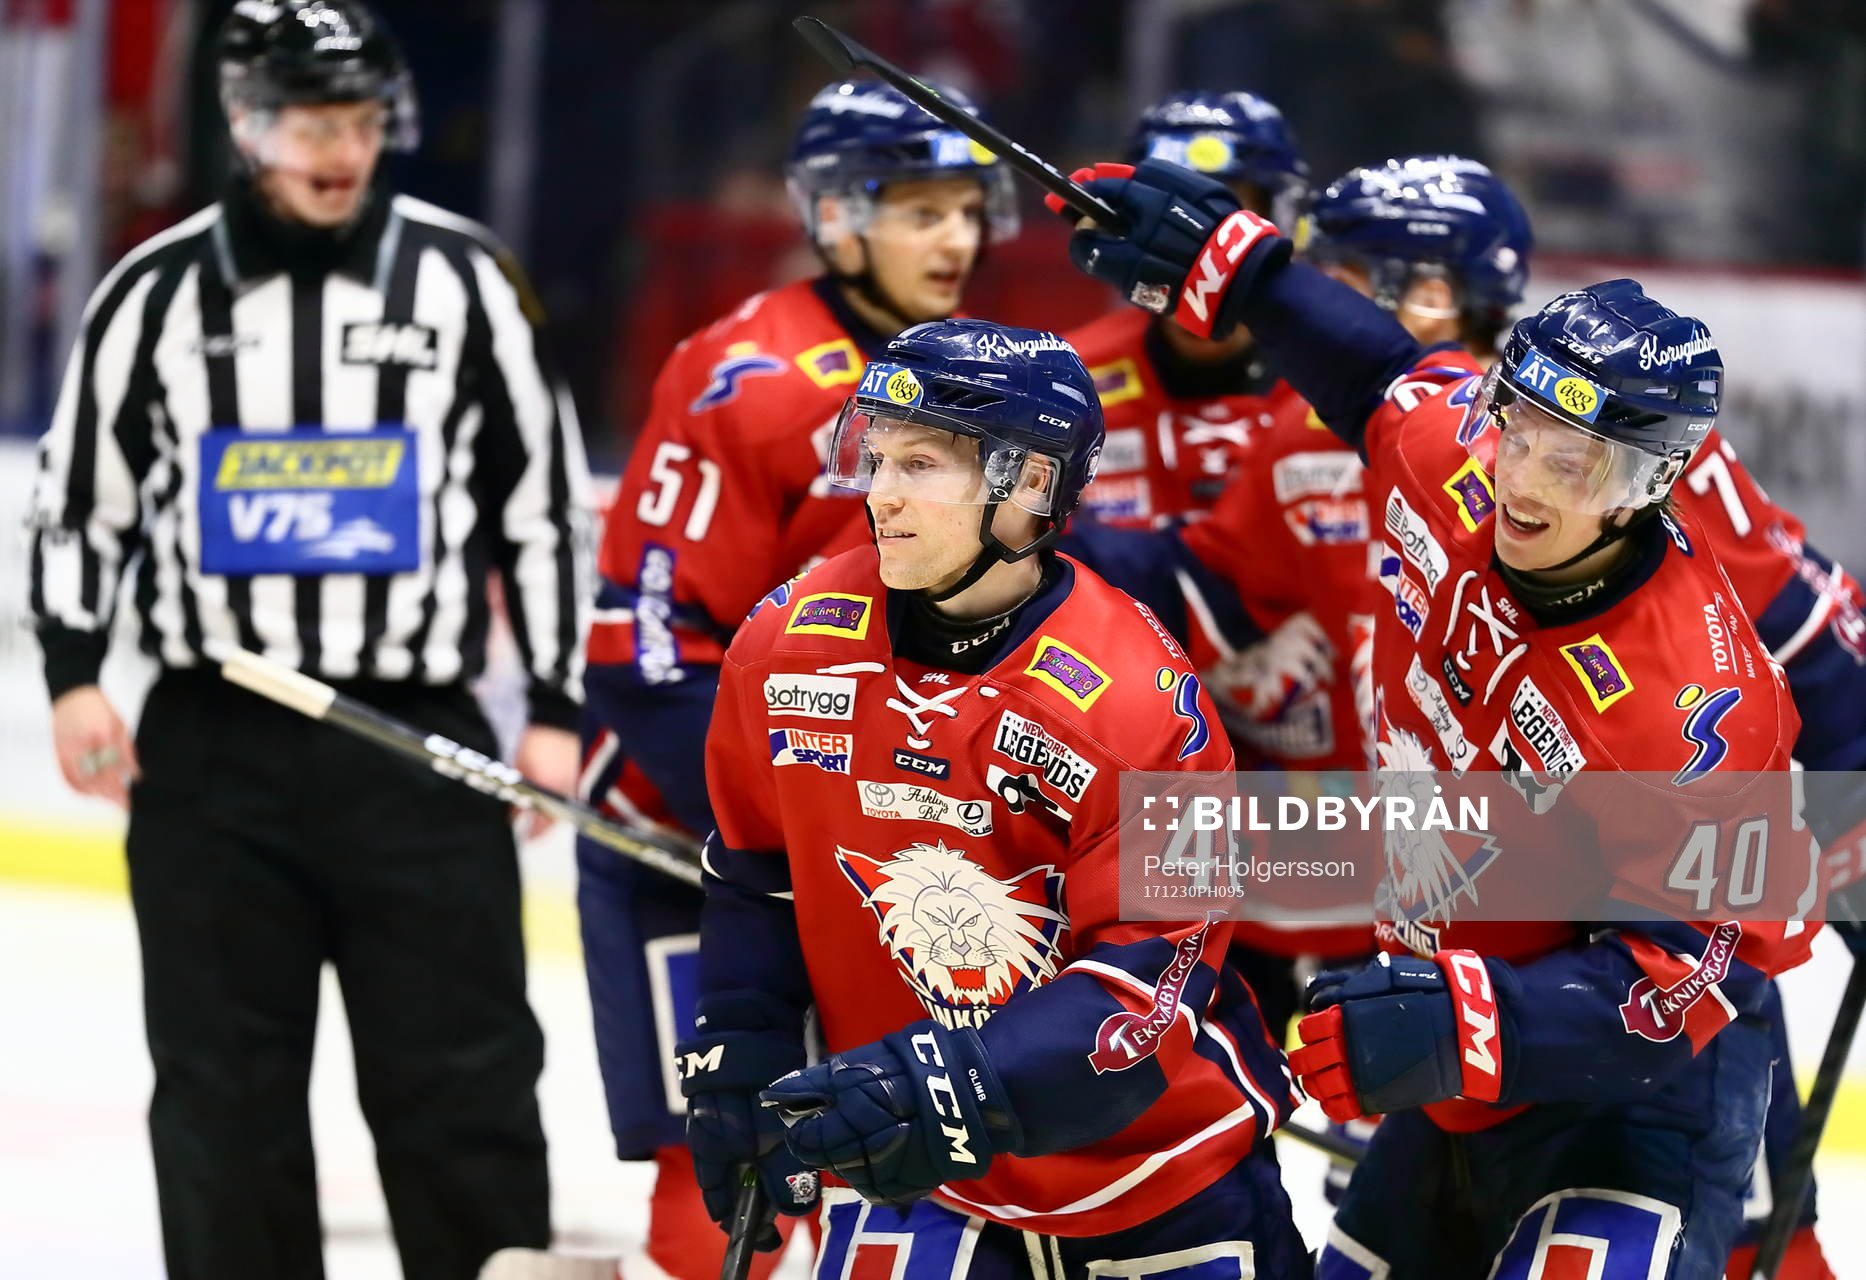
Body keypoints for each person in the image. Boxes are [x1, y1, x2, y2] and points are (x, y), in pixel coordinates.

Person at [1050, 160, 1821, 1277]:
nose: (1524, 480)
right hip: (1455, 1070)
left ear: (1652, 482)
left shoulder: (1698, 711)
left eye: (1578, 462)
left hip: (1627, 1103)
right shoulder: (1455, 456)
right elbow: (1381, 372)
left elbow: (1674, 987)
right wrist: (1240, 265)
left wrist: (1464, 1015)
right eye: (1520, 427)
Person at [26, 3, 590, 1277]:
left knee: (464, 1079)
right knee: (223, 1094)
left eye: (361, 120)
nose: (342, 149)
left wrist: (555, 707)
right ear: (244, 123)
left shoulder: (463, 278)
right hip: (214, 747)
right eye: (310, 122)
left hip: (416, 740)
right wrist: (73, 675)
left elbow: (543, 506)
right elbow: (78, 503)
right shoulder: (155, 289)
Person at [676, 319, 1310, 1276]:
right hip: (920, 1173)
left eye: (920, 464)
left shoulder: (1141, 701)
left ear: (1031, 484)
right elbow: (757, 875)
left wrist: (938, 1086)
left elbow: (1140, 997)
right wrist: (742, 1044)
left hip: (1154, 1175)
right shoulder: (785, 642)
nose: (880, 493)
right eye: (875, 456)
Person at [573, 79, 1014, 1280]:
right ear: (835, 216)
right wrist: (791, 828)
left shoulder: (992, 382)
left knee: (898, 1165)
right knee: (724, 1173)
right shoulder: (748, 375)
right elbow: (643, 649)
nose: (957, 238)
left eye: (966, 208)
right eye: (920, 210)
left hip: (884, 837)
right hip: (695, 840)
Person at [1065, 90, 1311, 530]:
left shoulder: (1338, 382)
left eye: (1219, 227)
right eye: (1168, 225)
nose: (1195, 252)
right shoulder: (1071, 377)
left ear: (1279, 225)